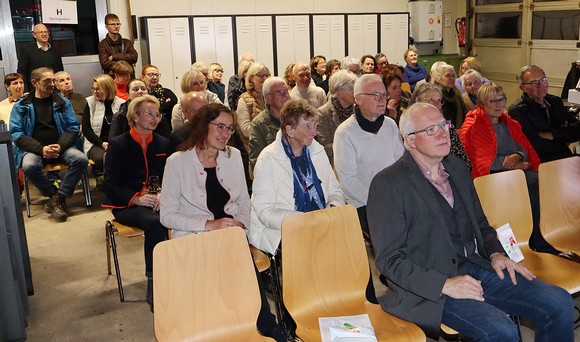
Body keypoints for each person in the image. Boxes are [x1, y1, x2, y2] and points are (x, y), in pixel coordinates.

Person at [367, 102, 574, 341]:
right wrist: (445, 284)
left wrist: (497, 254)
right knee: (502, 330)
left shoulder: (456, 167)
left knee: (559, 302)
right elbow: (389, 260)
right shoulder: (389, 184)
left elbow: (481, 224)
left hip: (474, 265)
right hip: (431, 287)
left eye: (443, 125)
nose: (444, 132)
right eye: (431, 130)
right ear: (410, 140)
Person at [159, 102, 286, 341]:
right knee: (218, 275)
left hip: (230, 235)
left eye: (230, 128)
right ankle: (220, 326)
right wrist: (208, 225)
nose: (226, 134)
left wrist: (242, 228)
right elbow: (166, 215)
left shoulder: (233, 156)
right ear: (202, 127)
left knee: (244, 267)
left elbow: (244, 201)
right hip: (195, 238)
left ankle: (264, 324)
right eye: (220, 127)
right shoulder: (177, 162)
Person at [460, 82, 558, 254]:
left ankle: (544, 235)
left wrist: (517, 157)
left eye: (501, 99)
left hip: (516, 172)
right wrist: (511, 164)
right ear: (482, 103)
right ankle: (537, 240)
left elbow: (524, 148)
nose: (499, 105)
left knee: (542, 180)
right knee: (534, 181)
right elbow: (479, 161)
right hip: (491, 177)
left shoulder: (509, 123)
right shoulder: (473, 125)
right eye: (493, 101)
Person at [249, 98, 344, 255]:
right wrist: (304, 221)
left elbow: (334, 189)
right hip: (287, 228)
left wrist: (332, 208)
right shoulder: (268, 159)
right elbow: (264, 211)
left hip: (321, 221)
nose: (314, 132)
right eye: (308, 127)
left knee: (348, 243)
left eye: (315, 125)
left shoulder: (316, 150)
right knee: (313, 251)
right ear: (290, 130)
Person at [103, 95, 169, 313]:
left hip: (158, 203)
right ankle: (155, 280)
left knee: (176, 218)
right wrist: (137, 198)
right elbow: (110, 185)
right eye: (149, 113)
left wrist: (162, 195)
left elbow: (170, 177)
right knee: (157, 223)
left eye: (157, 114)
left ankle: (177, 274)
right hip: (128, 206)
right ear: (135, 116)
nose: (155, 118)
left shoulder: (163, 143)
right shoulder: (118, 144)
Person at [10, 67, 88, 222]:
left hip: (61, 147)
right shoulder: (22, 105)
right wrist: (41, 149)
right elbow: (17, 133)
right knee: (29, 166)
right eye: (47, 81)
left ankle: (58, 197)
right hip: (35, 149)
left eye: (53, 80)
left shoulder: (62, 102)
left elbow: (73, 127)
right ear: (35, 82)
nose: (52, 84)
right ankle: (54, 195)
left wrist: (60, 146)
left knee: (81, 159)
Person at [333, 73, 404, 239]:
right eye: (375, 95)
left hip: (393, 197)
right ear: (358, 99)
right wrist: (381, 200)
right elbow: (348, 181)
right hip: (363, 202)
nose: (382, 100)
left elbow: (401, 163)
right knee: (392, 234)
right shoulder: (345, 133)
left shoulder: (390, 125)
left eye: (384, 95)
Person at [508, 65, 580, 162]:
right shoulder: (517, 110)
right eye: (534, 83)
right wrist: (564, 136)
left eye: (543, 80)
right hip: (542, 161)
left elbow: (578, 129)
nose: (541, 85)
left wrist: (554, 134)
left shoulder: (555, 101)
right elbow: (536, 145)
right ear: (523, 88)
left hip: (565, 156)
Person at [409, 83, 471, 169]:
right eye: (431, 100)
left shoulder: (448, 127)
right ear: (417, 100)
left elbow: (464, 161)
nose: (437, 104)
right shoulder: (410, 128)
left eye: (439, 100)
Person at [82, 74, 125, 187]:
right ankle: (112, 185)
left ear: (108, 89)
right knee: (104, 158)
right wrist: (102, 143)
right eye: (93, 89)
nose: (95, 92)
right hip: (96, 143)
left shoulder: (121, 103)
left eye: (98, 89)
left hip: (117, 142)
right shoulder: (90, 103)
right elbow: (86, 129)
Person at [249, 77, 291, 170]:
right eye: (279, 92)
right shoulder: (258, 124)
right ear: (268, 98)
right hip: (275, 176)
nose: (285, 95)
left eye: (286, 91)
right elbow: (257, 162)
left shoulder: (299, 117)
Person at [317, 69, 357, 165]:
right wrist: (351, 146)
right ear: (340, 90)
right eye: (352, 89)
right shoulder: (322, 113)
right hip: (335, 165)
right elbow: (324, 147)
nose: (356, 93)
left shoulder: (358, 110)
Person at [17, 23, 64, 93]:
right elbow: (22, 71)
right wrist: (25, 91)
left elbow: (60, 71)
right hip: (35, 90)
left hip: (53, 89)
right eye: (41, 32)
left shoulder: (55, 50)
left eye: (46, 32)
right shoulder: (27, 50)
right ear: (34, 35)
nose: (44, 34)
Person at [237, 63, 270, 140]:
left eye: (267, 75)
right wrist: (269, 129)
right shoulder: (244, 99)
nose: (264, 78)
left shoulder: (271, 96)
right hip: (254, 144)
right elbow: (245, 130)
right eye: (260, 75)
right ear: (251, 78)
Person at [140, 64, 177, 130]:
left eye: (157, 75)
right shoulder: (142, 94)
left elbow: (174, 101)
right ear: (142, 77)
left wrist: (159, 107)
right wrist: (165, 104)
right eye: (151, 74)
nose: (155, 77)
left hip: (168, 127)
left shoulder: (166, 91)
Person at [433, 63, 467, 128]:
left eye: (453, 75)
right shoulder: (435, 95)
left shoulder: (456, 93)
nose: (452, 78)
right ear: (438, 78)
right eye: (448, 75)